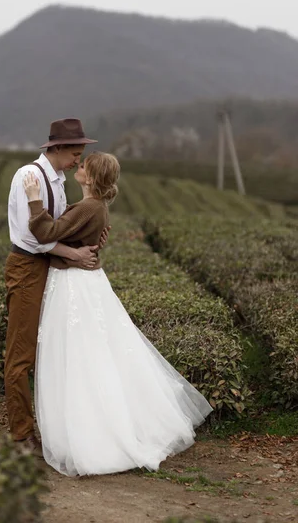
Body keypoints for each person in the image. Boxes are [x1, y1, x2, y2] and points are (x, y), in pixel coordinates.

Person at [23, 152, 213, 477]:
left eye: (83, 166)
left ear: (92, 177)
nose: (77, 167)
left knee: (80, 356)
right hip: (83, 281)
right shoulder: (96, 207)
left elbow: (45, 232)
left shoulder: (89, 207)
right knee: (91, 351)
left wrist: (34, 200)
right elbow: (79, 240)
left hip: (75, 288)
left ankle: (93, 437)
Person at [4, 118, 109, 455]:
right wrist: (73, 254)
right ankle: (22, 435)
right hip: (28, 267)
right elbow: (30, 235)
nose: (79, 159)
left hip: (50, 267)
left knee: (53, 348)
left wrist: (89, 242)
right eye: (76, 152)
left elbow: (59, 227)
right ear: (57, 148)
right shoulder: (29, 177)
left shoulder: (59, 180)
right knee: (21, 353)